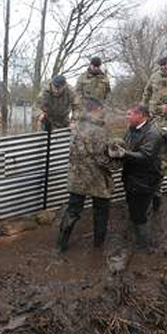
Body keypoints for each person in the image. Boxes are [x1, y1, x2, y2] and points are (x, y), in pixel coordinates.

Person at [55, 98, 122, 252]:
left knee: (72, 211)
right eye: (102, 108)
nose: (104, 111)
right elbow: (102, 159)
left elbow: (72, 154)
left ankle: (60, 244)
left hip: (77, 177)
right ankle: (98, 245)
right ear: (97, 109)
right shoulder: (99, 131)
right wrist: (118, 164)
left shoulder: (77, 127)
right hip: (97, 179)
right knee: (101, 211)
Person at [116, 104, 161, 250]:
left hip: (144, 181)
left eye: (130, 114)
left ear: (140, 115)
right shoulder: (131, 129)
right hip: (131, 178)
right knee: (133, 207)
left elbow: (146, 156)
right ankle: (136, 230)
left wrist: (124, 153)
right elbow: (124, 143)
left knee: (139, 214)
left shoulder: (153, 133)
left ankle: (143, 245)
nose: (127, 117)